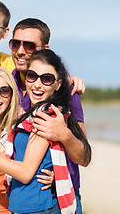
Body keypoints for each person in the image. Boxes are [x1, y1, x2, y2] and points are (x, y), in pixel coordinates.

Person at [0, 49, 91, 214]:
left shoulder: (47, 115)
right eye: (32, 76)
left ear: (58, 84)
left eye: (47, 79)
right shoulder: (27, 114)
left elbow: (26, 172)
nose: (37, 84)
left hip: (39, 207)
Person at [9, 18, 89, 213]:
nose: (20, 51)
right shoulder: (6, 86)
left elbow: (84, 157)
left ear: (45, 48)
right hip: (19, 197)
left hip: (57, 198)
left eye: (29, 45)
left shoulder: (67, 93)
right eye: (15, 43)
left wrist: (64, 135)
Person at [0, 67, 54, 213]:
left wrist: (54, 176)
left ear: (11, 95)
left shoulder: (21, 131)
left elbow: (38, 163)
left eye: (4, 91)